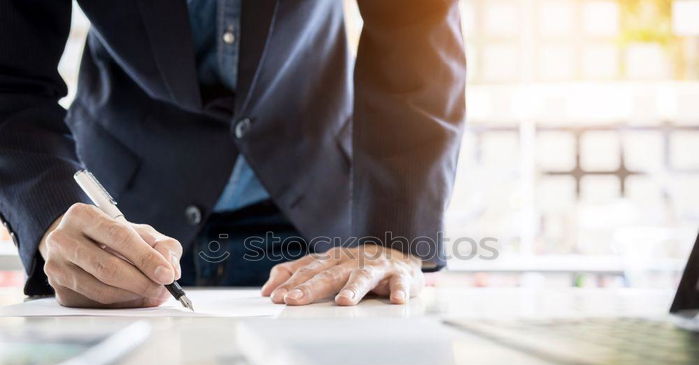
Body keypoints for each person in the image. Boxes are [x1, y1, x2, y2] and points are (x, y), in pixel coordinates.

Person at [0, 0, 466, 308]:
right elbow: (10, 79)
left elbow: (416, 28)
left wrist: (392, 233)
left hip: (323, 223)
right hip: (124, 224)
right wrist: (52, 215)